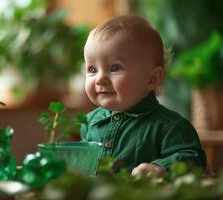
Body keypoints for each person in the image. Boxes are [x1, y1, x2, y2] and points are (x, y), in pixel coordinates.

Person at [80, 14, 206, 177]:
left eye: (115, 68)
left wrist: (160, 168)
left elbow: (194, 158)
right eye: (92, 70)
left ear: (152, 79)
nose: (100, 79)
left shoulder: (170, 127)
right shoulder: (89, 123)